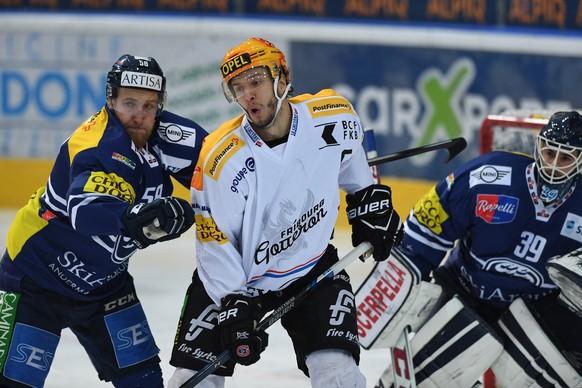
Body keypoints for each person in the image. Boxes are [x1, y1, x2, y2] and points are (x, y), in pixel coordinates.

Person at [167, 37, 403, 388]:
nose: (248, 94)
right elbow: (213, 240)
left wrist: (368, 202)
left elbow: (354, 160)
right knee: (192, 381)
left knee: (339, 375)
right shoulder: (220, 158)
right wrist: (233, 301)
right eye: (238, 87)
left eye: (256, 81)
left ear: (281, 78)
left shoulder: (333, 115)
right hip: (239, 281)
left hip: (312, 268)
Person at [0, 54, 208, 387]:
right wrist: (137, 217)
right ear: (110, 100)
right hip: (35, 280)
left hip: (105, 286)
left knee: (144, 381)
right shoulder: (99, 145)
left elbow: (225, 164)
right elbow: (87, 212)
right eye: (129, 103)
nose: (138, 116)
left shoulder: (168, 135)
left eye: (149, 105)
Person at [396, 110, 582, 384]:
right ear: (538, 146)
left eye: (565, 157)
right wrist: (406, 279)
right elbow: (429, 223)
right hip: (466, 291)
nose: (553, 164)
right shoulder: (488, 176)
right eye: (548, 152)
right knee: (422, 381)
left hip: (537, 309)